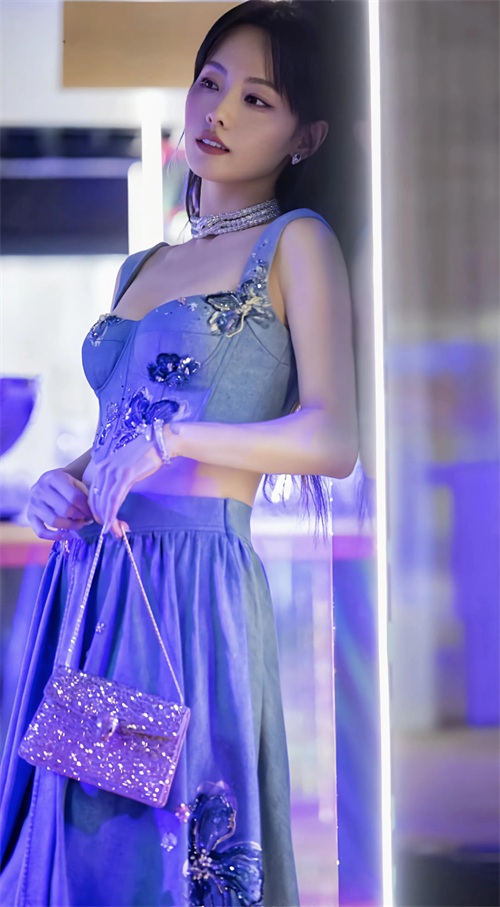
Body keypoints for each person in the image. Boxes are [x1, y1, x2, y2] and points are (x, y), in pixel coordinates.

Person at [0, 1, 358, 904]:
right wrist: (62, 482)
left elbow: (333, 438)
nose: (218, 112)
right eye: (209, 83)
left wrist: (174, 438)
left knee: (167, 857)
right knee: (73, 856)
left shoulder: (297, 244)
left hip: (191, 585)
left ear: (306, 135)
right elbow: (117, 435)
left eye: (256, 99)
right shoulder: (141, 266)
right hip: (87, 581)